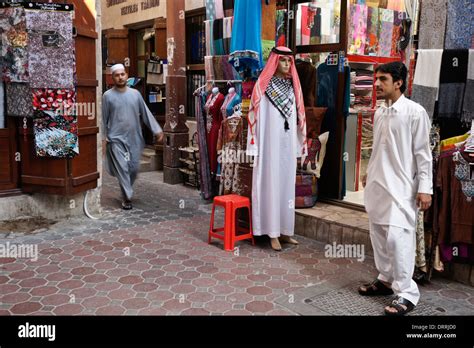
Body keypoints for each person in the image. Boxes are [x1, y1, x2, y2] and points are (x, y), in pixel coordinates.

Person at [359, 62, 433, 316]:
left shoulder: (415, 112)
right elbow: (378, 148)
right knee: (378, 235)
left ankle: (407, 293)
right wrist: (369, 173)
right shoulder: (380, 111)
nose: (377, 84)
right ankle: (386, 280)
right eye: (376, 79)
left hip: (402, 188)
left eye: (383, 79)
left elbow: (424, 154)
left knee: (398, 239)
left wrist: (425, 188)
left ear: (399, 82)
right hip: (379, 185)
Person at [247, 46, 307, 251]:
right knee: (270, 185)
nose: (287, 65)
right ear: (274, 61)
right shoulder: (262, 88)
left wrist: (299, 147)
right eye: (283, 61)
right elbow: (254, 118)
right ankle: (271, 232)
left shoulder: (293, 89)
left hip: (287, 148)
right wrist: (253, 146)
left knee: (286, 188)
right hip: (268, 148)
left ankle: (285, 231)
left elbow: (299, 119)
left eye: (289, 61)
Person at [102, 64, 164, 210]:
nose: (120, 77)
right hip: (116, 139)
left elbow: (146, 112)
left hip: (134, 138)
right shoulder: (107, 96)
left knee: (133, 168)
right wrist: (104, 139)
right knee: (122, 167)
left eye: (122, 74)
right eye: (117, 75)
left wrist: (157, 130)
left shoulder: (135, 94)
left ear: (126, 75)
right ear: (112, 78)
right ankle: (127, 196)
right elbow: (103, 119)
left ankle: (126, 190)